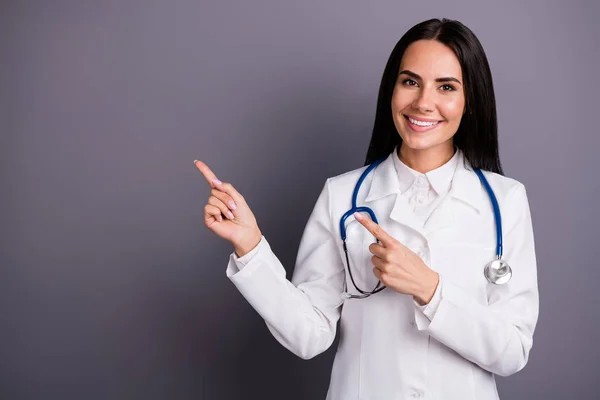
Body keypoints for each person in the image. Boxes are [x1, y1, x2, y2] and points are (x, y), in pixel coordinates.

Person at [195, 18, 539, 400]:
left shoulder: (505, 201)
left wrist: (429, 288)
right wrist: (251, 247)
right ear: (391, 89)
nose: (423, 102)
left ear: (470, 99)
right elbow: (309, 335)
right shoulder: (342, 196)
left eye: (446, 87)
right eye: (410, 81)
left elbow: (512, 352)